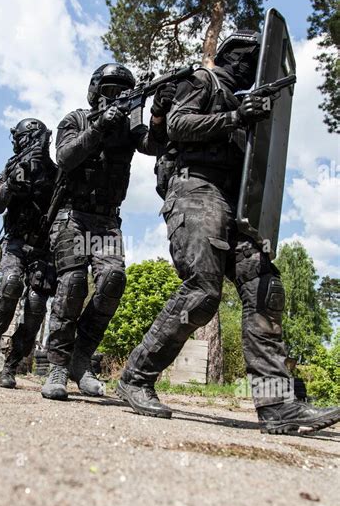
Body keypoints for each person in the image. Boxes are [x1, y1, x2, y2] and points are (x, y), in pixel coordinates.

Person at [117, 30, 340, 436]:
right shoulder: (201, 81)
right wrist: (236, 117)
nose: (250, 69)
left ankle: (278, 406)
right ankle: (136, 376)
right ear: (230, 55)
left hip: (231, 203)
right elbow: (179, 125)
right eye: (247, 60)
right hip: (194, 189)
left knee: (263, 289)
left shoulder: (243, 101)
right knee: (202, 291)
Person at [41, 63, 175, 401]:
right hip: (71, 214)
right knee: (71, 284)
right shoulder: (75, 120)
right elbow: (65, 157)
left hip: (106, 221)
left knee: (113, 278)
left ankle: (80, 359)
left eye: (121, 91)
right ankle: (56, 364)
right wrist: (101, 125)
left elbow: (152, 145)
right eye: (109, 89)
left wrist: (157, 114)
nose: (114, 96)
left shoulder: (128, 128)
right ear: (95, 90)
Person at [0, 118, 57, 389]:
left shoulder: (56, 172)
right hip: (15, 243)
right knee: (10, 285)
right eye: (27, 138)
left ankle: (11, 365)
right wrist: (12, 184)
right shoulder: (12, 168)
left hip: (44, 248)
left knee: (36, 306)